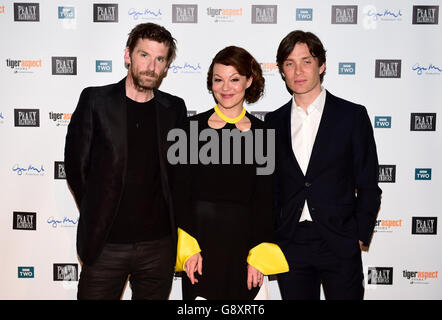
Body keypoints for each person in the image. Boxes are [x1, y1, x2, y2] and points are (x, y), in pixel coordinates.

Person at [64, 22, 187, 300]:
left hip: (158, 247)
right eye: (144, 55)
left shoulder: (174, 108)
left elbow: (179, 174)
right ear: (127, 55)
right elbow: (76, 167)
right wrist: (99, 208)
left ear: (167, 66)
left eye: (160, 59)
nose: (151, 66)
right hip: (106, 244)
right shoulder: (96, 100)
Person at [265, 30, 382, 300]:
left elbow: (367, 182)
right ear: (282, 70)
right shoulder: (273, 122)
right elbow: (269, 187)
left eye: (306, 61)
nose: (298, 71)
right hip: (291, 242)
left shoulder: (352, 116)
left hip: (340, 241)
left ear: (322, 65)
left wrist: (359, 235)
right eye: (289, 63)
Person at [171, 46, 288, 300]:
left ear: (249, 80)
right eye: (218, 79)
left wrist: (257, 257)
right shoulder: (189, 131)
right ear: (210, 83)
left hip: (245, 251)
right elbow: (179, 195)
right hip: (199, 249)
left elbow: (266, 201)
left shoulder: (263, 134)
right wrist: (189, 250)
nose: (226, 87)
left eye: (234, 79)